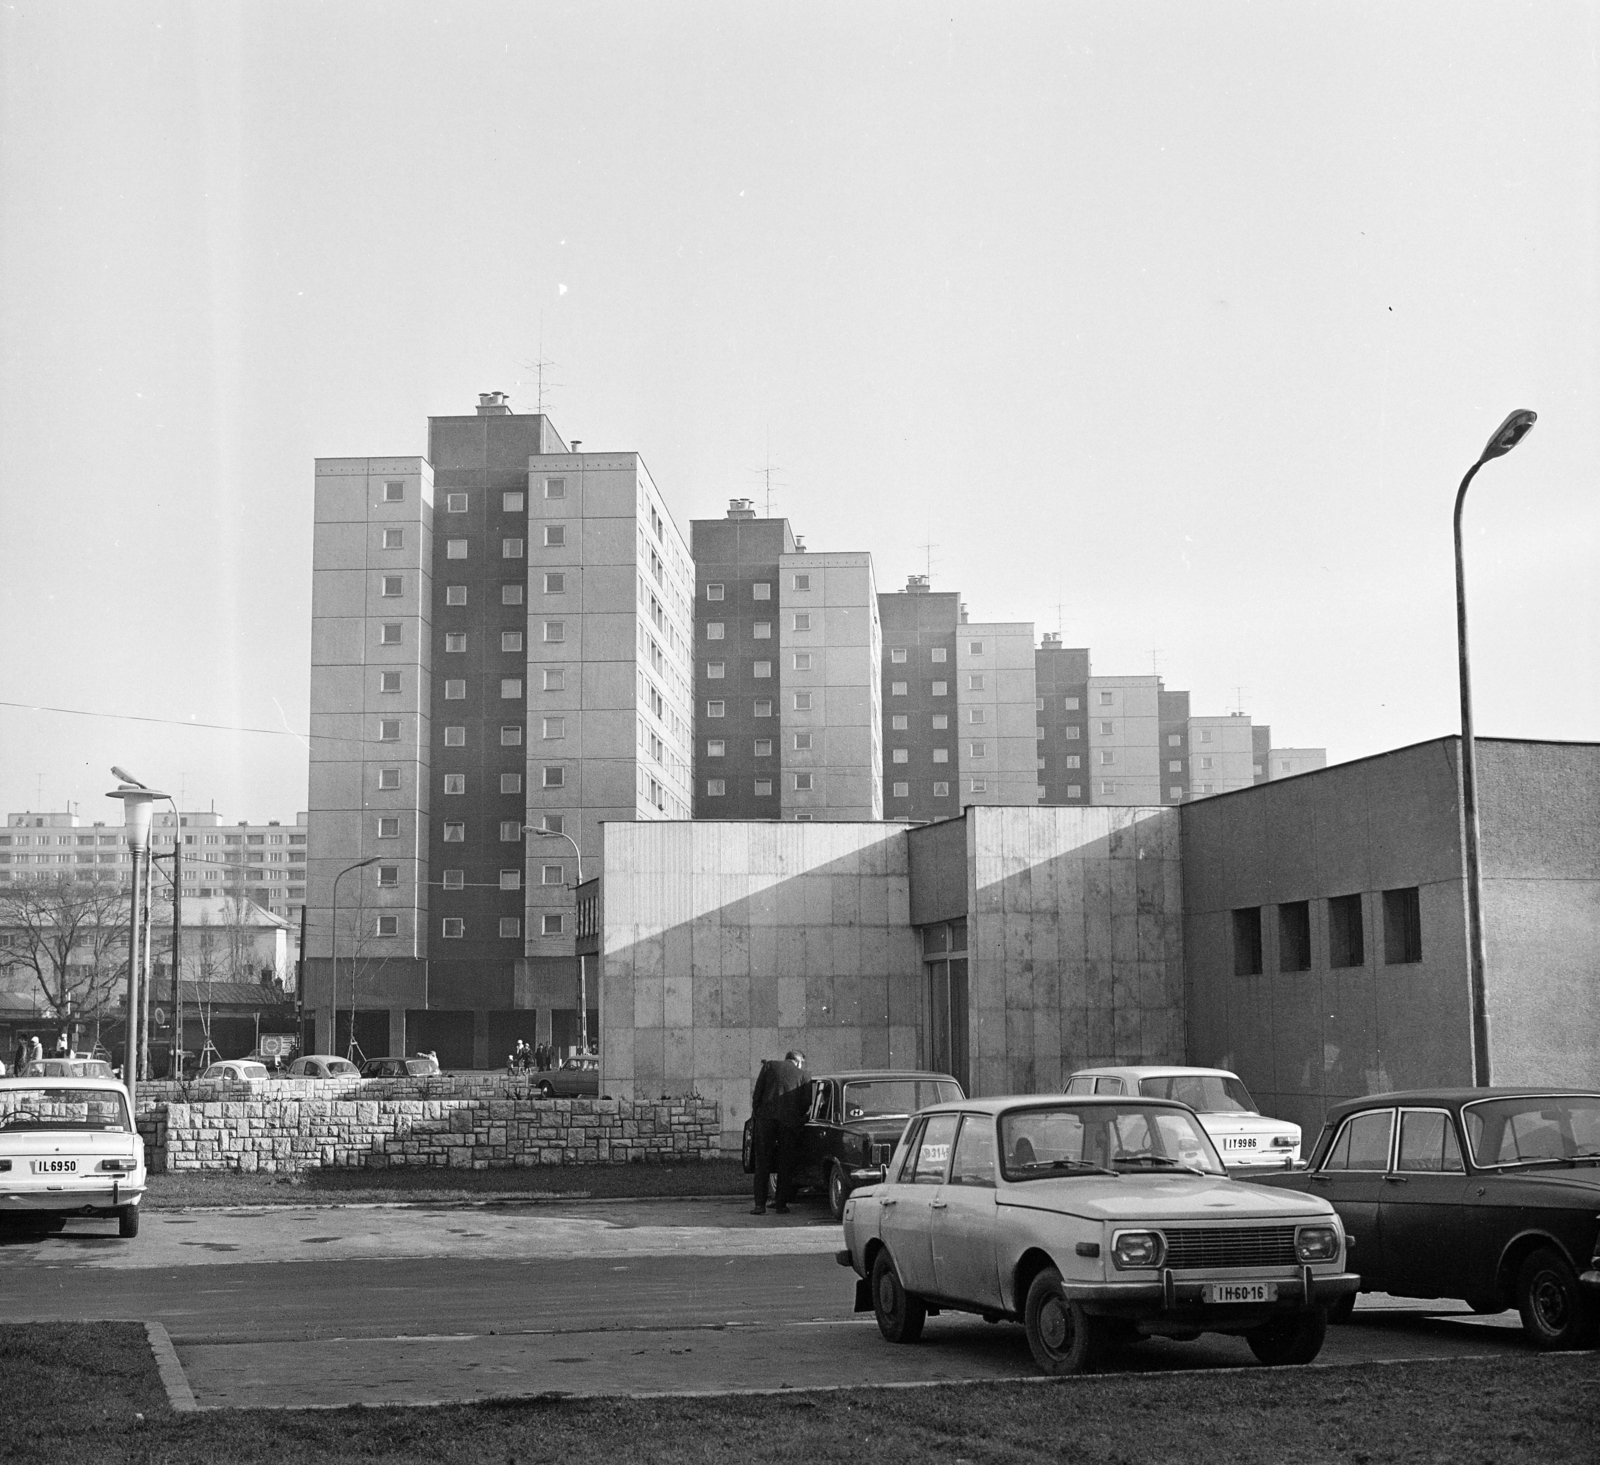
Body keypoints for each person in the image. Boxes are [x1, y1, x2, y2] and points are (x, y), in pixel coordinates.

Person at [749, 1049, 807, 1215]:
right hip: (789, 1123)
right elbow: (806, 1103)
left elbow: (757, 1093)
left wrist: (758, 1112)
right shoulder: (803, 1075)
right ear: (799, 1061)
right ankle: (781, 1204)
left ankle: (759, 1205)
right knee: (785, 1163)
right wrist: (797, 1119)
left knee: (762, 1163)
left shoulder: (769, 1067)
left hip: (766, 1120)